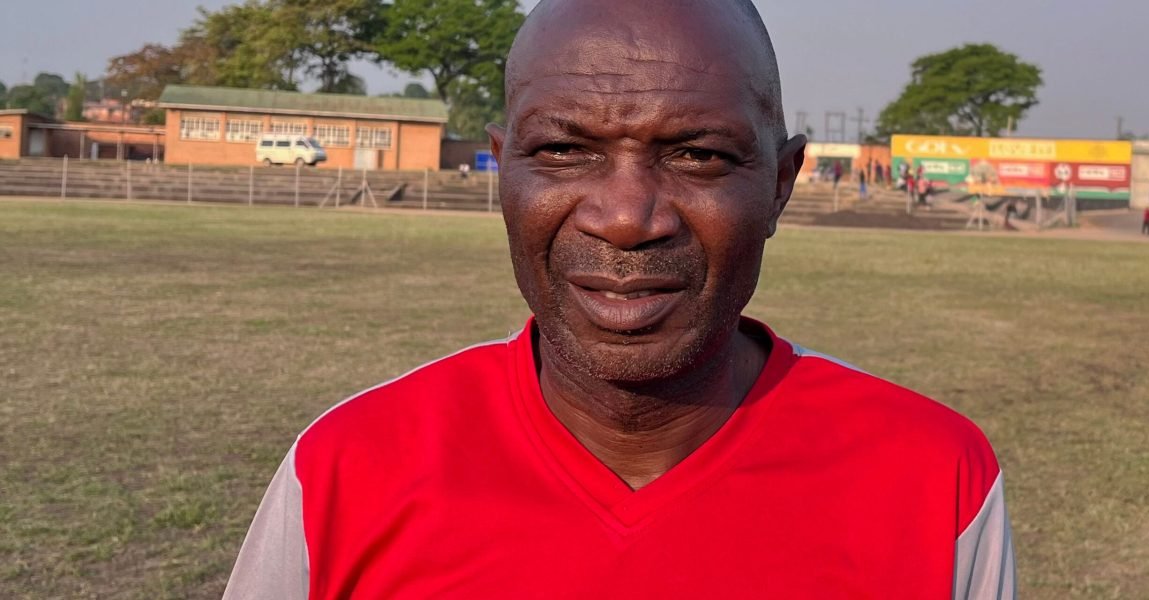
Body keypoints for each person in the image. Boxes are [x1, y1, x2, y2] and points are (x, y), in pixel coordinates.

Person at [223, 1, 1016, 598]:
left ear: (778, 185)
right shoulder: (344, 471)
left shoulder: (934, 478)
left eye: (699, 155)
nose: (628, 217)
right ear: (506, 172)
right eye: (564, 150)